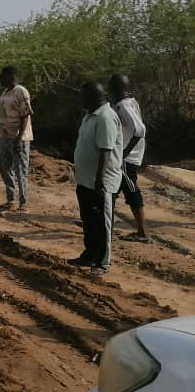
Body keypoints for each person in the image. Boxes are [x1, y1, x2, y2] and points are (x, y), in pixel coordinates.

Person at [70, 81, 123, 274]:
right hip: (85, 180)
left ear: (94, 97)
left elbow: (105, 152)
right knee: (89, 221)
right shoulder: (89, 116)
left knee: (102, 222)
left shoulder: (105, 118)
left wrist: (99, 180)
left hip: (100, 182)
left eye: (83, 95)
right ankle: (90, 254)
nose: (80, 99)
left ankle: (103, 261)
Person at [109, 73, 150, 241]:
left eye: (110, 86)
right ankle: (105, 224)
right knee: (110, 190)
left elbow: (140, 130)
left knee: (131, 191)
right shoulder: (127, 101)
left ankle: (143, 232)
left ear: (116, 88)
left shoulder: (124, 105)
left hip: (126, 158)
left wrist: (124, 153)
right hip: (122, 155)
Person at [0, 66, 34, 213]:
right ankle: (11, 200)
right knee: (5, 168)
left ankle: (23, 203)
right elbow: (3, 116)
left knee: (20, 170)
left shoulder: (21, 91)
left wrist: (19, 139)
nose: (0, 80)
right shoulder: (5, 92)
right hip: (5, 136)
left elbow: (25, 115)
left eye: (3, 77)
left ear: (11, 76)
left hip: (18, 137)